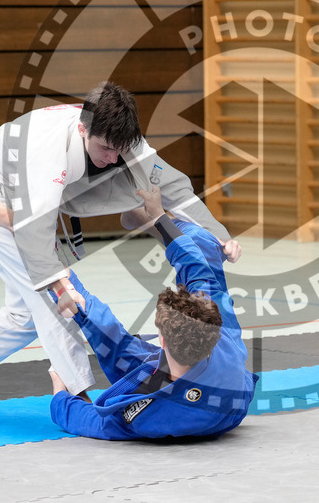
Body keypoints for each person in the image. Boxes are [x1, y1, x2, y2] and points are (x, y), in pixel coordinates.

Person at [0, 82, 240, 422]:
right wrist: (58, 280)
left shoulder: (122, 138)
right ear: (83, 130)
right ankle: (76, 396)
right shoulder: (48, 151)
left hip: (50, 200)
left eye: (119, 149)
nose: (112, 157)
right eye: (105, 148)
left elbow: (172, 185)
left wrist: (219, 235)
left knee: (24, 315)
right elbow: (37, 230)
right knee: (57, 301)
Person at [47, 186, 257, 440]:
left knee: (118, 348)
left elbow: (97, 422)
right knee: (202, 250)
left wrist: (60, 394)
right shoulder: (224, 339)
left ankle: (52, 266)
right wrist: (158, 216)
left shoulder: (150, 413)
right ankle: (145, 221)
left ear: (162, 340)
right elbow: (198, 271)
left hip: (192, 408)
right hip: (233, 403)